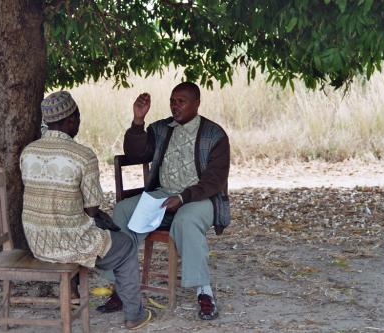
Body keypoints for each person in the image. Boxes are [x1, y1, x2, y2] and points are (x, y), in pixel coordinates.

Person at [20, 91, 152, 330]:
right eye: (77, 117)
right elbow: (92, 210)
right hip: (68, 244)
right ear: (71, 120)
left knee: (105, 236)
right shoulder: (83, 156)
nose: (79, 122)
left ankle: (97, 293)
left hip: (37, 241)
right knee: (125, 246)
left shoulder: (28, 153)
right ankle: (134, 315)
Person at [97, 82, 230, 320]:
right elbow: (135, 154)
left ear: (197, 103)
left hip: (199, 197)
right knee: (122, 211)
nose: (175, 105)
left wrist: (182, 197)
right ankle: (121, 288)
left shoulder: (215, 134)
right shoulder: (160, 128)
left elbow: (215, 179)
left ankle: (204, 291)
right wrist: (138, 121)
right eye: (172, 100)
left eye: (182, 101)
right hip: (163, 193)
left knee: (186, 219)